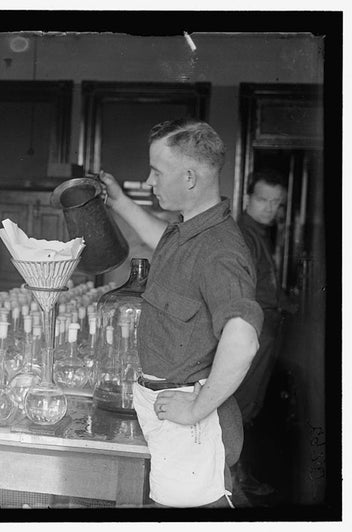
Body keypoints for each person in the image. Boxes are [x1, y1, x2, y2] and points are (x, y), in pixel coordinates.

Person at [100, 118, 263, 508]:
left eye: (157, 171)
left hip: (191, 423)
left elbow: (242, 341)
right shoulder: (190, 231)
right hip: (167, 410)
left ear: (189, 177)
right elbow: (163, 243)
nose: (150, 180)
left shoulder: (220, 251)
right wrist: (120, 202)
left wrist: (194, 410)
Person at [233, 170, 295, 497]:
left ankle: (239, 476)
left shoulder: (258, 232)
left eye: (276, 202)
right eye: (263, 200)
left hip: (264, 330)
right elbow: (245, 292)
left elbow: (267, 285)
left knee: (248, 406)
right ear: (246, 199)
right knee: (241, 406)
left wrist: (289, 303)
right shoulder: (244, 234)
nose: (270, 208)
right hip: (253, 330)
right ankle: (233, 483)